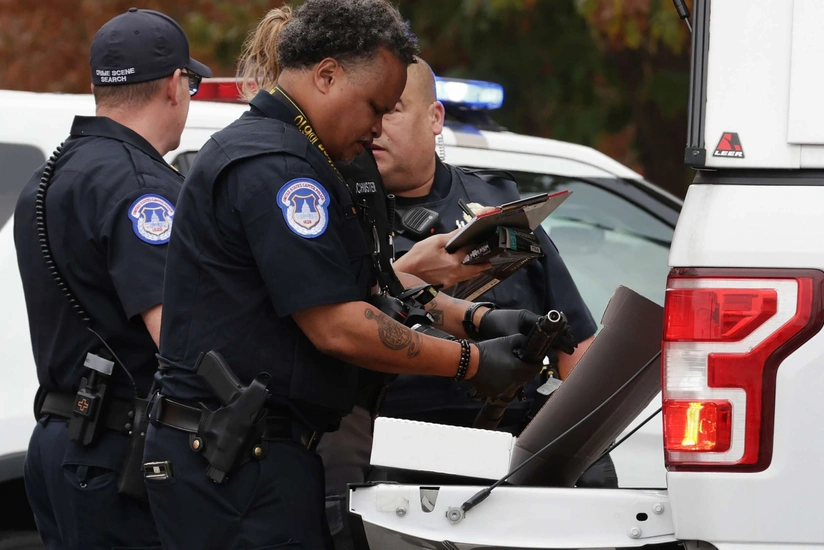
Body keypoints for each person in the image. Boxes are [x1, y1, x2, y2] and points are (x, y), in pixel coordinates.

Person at [142, 3, 547, 549]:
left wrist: (477, 319)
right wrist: (470, 363)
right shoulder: (277, 168)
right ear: (328, 75)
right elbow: (337, 325)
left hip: (256, 453)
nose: (377, 127)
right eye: (375, 107)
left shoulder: (304, 160)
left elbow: (370, 292)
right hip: (234, 462)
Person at [318, 57, 617, 550]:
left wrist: (584, 443)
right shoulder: (331, 207)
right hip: (381, 472)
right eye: (370, 109)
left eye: (392, 109)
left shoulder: (497, 208)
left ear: (434, 117)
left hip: (502, 471)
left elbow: (574, 344)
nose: (375, 126)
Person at [13, 8, 211, 549]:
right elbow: (180, 338)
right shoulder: (143, 186)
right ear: (174, 85)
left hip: (62, 443)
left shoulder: (49, 176)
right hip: (118, 455)